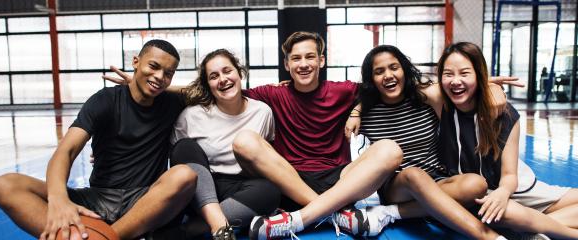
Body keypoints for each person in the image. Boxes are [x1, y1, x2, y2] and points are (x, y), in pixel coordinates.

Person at [0, 39, 197, 240]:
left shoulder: (171, 102)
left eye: (168, 73)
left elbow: (204, 90)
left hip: (144, 202)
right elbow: (66, 151)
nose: (160, 76)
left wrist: (154, 83)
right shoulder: (105, 100)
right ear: (135, 62)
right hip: (97, 199)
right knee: (2, 185)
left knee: (184, 176)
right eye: (153, 66)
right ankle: (112, 234)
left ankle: (102, 236)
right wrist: (58, 199)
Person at [232, 31, 403, 239]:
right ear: (287, 65)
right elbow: (227, 92)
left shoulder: (341, 90)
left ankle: (297, 220)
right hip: (291, 181)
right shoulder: (274, 93)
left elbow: (376, 89)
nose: (303, 64)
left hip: (339, 182)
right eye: (296, 58)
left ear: (321, 61)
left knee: (390, 150)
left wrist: (357, 110)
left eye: (310, 56)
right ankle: (333, 214)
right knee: (244, 141)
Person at [349, 45, 505, 239]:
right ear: (372, 79)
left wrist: (494, 88)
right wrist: (356, 111)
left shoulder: (425, 98)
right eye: (379, 72)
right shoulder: (368, 112)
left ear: (404, 70)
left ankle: (392, 213)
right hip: (397, 185)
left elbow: (460, 84)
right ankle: (490, 237)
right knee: (414, 175)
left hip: (437, 178)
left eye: (394, 67)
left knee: (477, 184)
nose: (388, 75)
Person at [437, 42, 578, 239]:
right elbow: (416, 87)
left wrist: (503, 193)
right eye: (448, 74)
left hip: (514, 188)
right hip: (478, 194)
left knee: (503, 210)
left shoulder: (505, 114)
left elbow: (510, 175)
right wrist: (491, 84)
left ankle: (535, 229)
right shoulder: (439, 105)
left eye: (465, 73)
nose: (455, 81)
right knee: (501, 214)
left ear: (479, 75)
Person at [169, 49, 280, 239]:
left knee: (270, 190)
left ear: (239, 72)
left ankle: (192, 229)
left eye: (227, 71)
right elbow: (179, 157)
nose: (222, 79)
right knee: (185, 146)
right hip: (201, 189)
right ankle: (219, 226)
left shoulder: (262, 112)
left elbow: (266, 157)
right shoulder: (191, 115)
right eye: (214, 76)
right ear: (208, 85)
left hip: (241, 190)